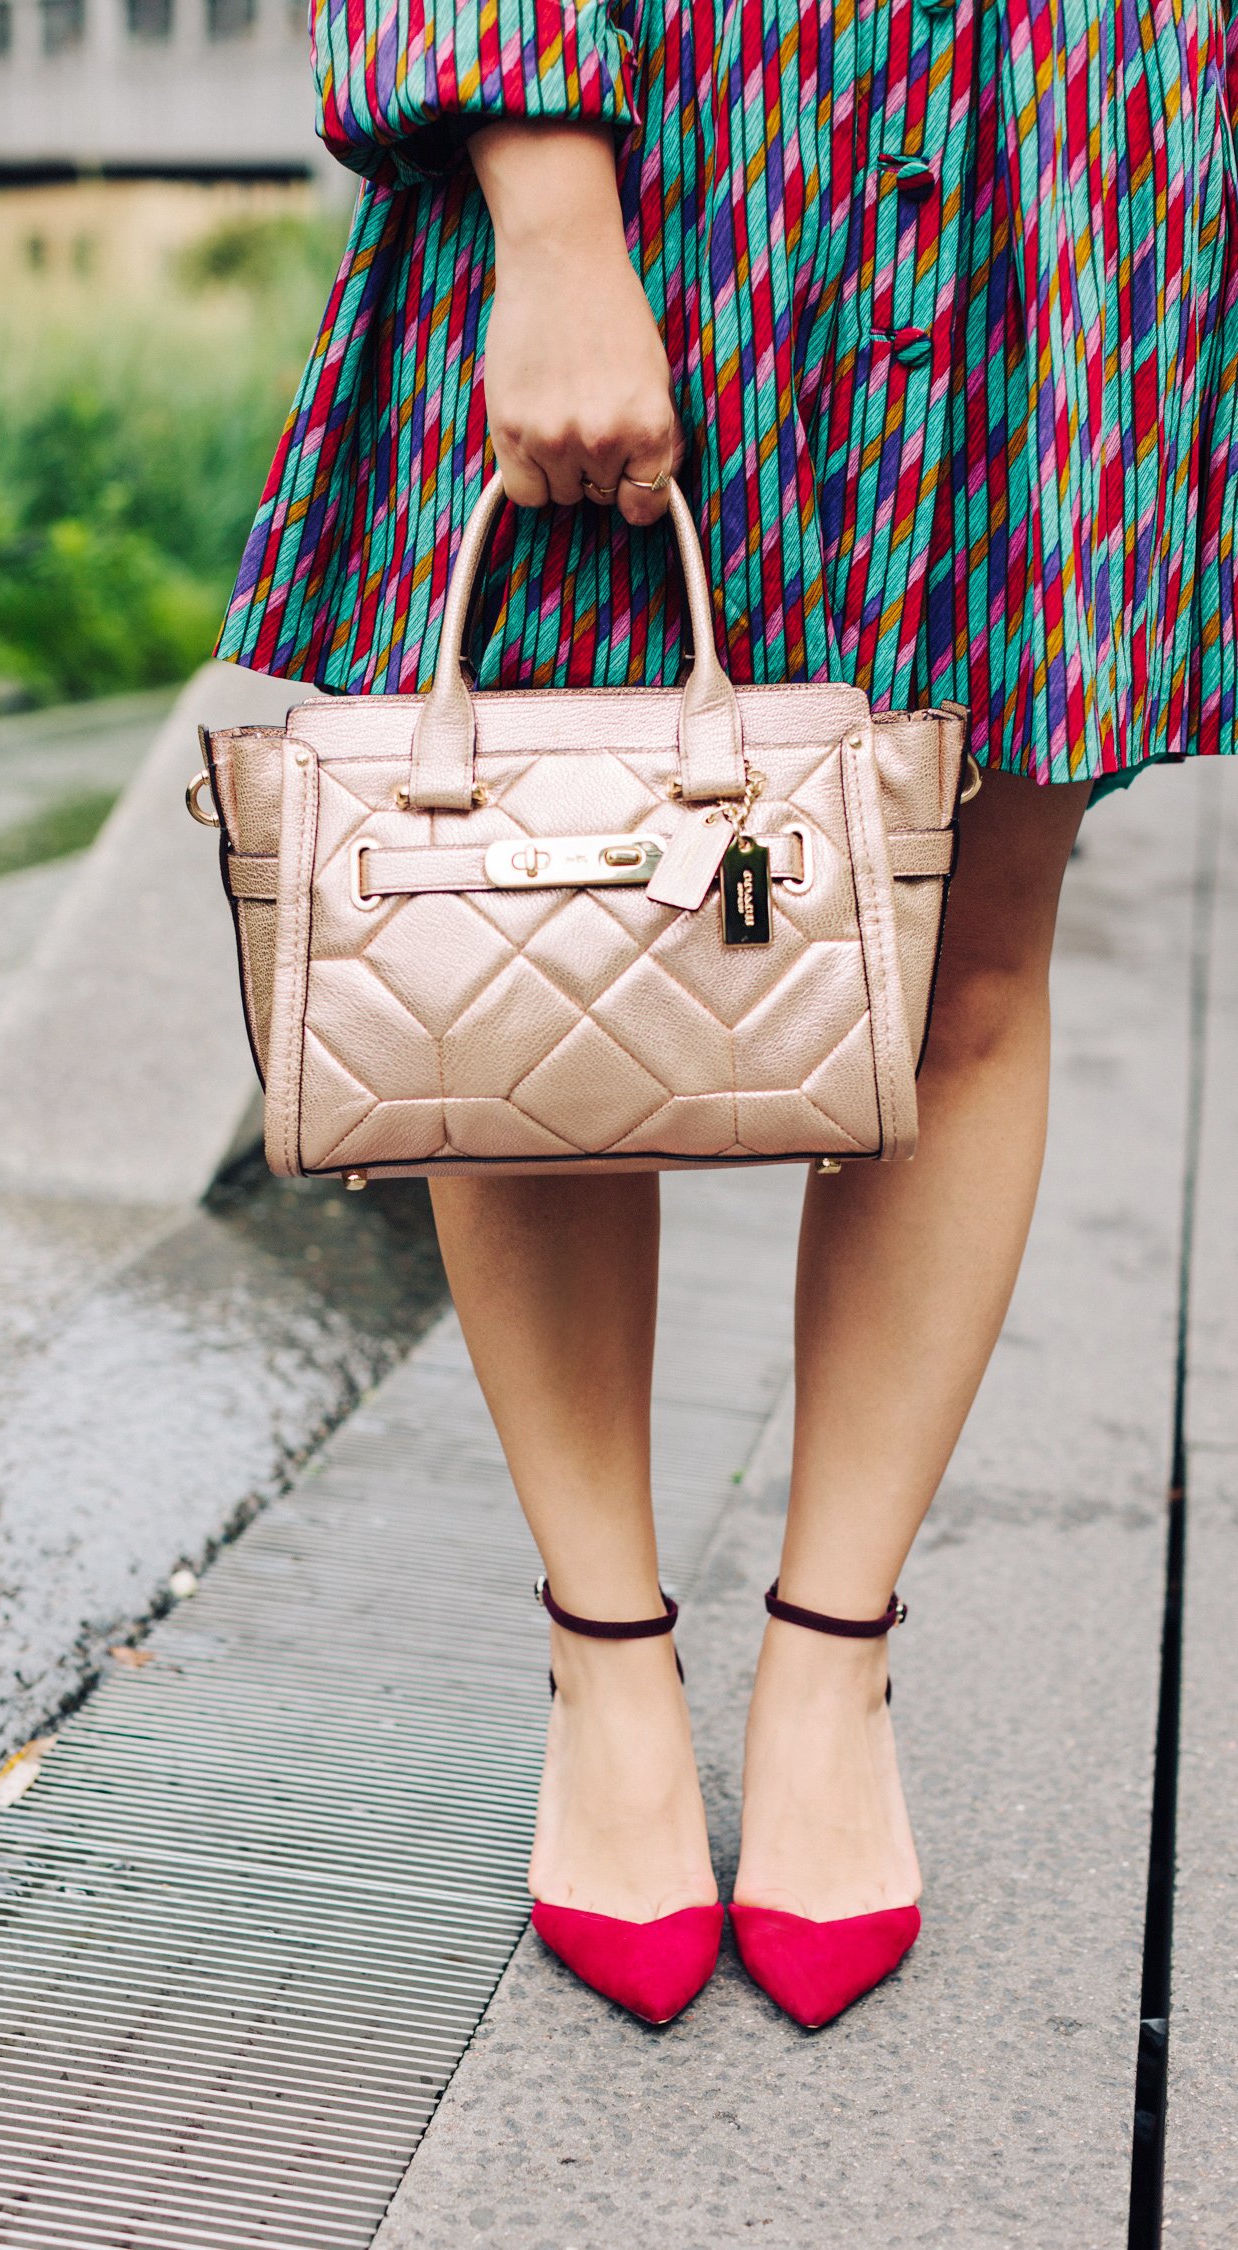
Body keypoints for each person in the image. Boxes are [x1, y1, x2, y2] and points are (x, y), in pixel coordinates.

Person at [219, 0, 1238, 2027]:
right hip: (689, 129)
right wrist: (549, 196)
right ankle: (605, 1668)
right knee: (524, 925)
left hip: (1076, 152)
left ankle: (826, 1666)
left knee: (970, 950)